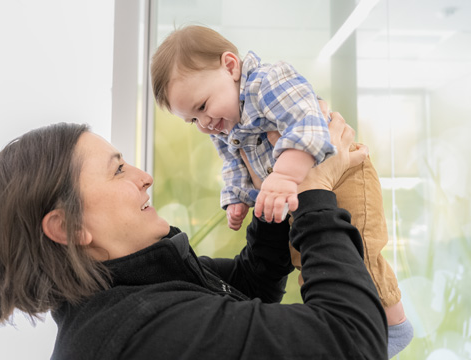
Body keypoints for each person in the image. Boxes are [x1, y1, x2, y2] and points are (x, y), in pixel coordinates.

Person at [0, 115, 389, 359]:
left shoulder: (136, 289)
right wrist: (315, 191)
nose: (144, 177)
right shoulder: (141, 335)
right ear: (69, 228)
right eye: (117, 170)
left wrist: (274, 192)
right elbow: (351, 341)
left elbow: (248, 283)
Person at [150, 25, 413, 358]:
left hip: (343, 175)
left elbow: (307, 123)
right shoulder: (225, 124)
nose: (204, 124)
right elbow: (233, 163)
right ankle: (355, 329)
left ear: (230, 66)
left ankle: (394, 324)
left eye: (202, 106)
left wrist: (285, 175)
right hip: (302, 195)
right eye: (192, 120)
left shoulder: (268, 82)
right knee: (311, 263)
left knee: (357, 252)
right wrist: (237, 197)